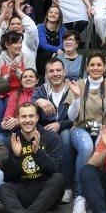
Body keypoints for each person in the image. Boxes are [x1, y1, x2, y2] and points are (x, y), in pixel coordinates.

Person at [0, 102, 64, 213]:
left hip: (46, 192)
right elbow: (8, 177)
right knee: (3, 188)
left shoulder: (51, 137)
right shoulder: (11, 141)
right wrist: (15, 156)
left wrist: (38, 153)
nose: (28, 120)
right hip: (23, 190)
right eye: (23, 116)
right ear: (18, 119)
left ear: (37, 117)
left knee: (59, 178)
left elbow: (56, 169)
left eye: (31, 116)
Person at [65, 51, 106, 213]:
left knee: (101, 148)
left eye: (99, 65)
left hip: (104, 128)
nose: (95, 68)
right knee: (87, 146)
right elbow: (71, 117)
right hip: (81, 127)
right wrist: (76, 97)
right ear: (87, 67)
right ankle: (81, 195)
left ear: (105, 67)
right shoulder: (79, 85)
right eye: (92, 65)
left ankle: (98, 193)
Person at [34, 57, 74, 203]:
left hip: (68, 128)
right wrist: (38, 101)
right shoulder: (40, 90)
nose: (55, 74)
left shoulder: (72, 89)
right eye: (51, 71)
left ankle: (68, 187)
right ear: (46, 75)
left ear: (64, 72)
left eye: (58, 70)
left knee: (65, 136)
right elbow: (28, 107)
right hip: (45, 129)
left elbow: (79, 116)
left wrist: (60, 125)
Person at [0, 30, 33, 129]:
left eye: (20, 42)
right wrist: (8, 75)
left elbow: (32, 80)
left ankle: (10, 131)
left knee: (9, 100)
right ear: (7, 44)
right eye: (15, 42)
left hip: (20, 93)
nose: (19, 45)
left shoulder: (27, 58)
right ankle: (0, 134)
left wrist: (18, 72)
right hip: (2, 93)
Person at [0, 0, 39, 68]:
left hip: (28, 77)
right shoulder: (5, 40)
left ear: (23, 27)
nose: (15, 26)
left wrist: (18, 10)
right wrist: (4, 13)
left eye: (18, 24)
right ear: (9, 27)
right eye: (12, 24)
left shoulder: (29, 40)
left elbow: (32, 29)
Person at [0, 68, 41, 144]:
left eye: (31, 76)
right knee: (0, 137)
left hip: (36, 130)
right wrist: (6, 123)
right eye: (25, 77)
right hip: (17, 132)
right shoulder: (15, 95)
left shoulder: (41, 93)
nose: (28, 79)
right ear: (21, 81)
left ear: (37, 81)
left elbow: (41, 119)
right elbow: (8, 116)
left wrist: (19, 121)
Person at [36, 5, 65, 70]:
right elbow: (42, 44)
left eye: (56, 13)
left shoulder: (62, 28)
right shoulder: (40, 27)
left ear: (59, 17)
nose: (53, 14)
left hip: (56, 57)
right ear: (47, 14)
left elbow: (63, 43)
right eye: (51, 12)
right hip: (41, 58)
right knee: (47, 53)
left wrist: (55, 53)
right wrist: (56, 50)